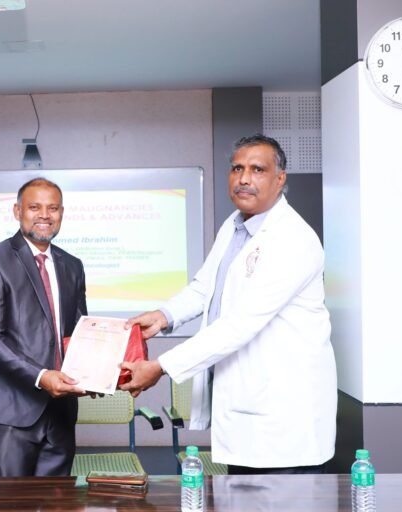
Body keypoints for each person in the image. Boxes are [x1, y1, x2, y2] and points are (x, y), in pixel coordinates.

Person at [120, 134, 337, 474]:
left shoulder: (293, 240)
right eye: (237, 168)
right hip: (245, 416)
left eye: (257, 169)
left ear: (280, 179)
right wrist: (164, 316)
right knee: (240, 494)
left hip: (283, 422)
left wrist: (160, 367)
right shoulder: (234, 225)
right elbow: (205, 287)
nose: (244, 178)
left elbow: (240, 324)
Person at [0, 177, 88, 477]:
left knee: (58, 498)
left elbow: (80, 333)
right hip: (10, 409)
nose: (45, 215)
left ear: (62, 213)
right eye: (35, 207)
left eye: (53, 208)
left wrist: (95, 373)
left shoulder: (72, 265)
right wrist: (41, 376)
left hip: (61, 410)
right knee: (13, 500)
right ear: (17, 211)